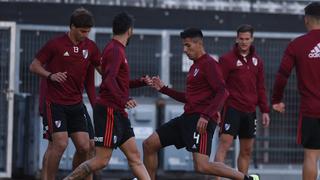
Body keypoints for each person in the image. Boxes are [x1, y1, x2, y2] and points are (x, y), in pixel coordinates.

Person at [143, 28, 260, 180]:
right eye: (184, 46)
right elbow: (190, 98)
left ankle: (246, 179)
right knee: (149, 144)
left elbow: (222, 92)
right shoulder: (194, 67)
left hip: (201, 122)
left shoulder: (209, 64)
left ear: (199, 44)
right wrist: (164, 89)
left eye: (188, 45)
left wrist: (206, 116)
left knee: (202, 166)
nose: (185, 50)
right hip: (187, 119)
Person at [63, 12, 152, 180]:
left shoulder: (116, 49)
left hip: (118, 112)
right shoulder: (116, 50)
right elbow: (108, 80)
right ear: (130, 30)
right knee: (101, 160)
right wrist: (124, 99)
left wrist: (141, 81)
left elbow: (118, 82)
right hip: (110, 111)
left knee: (135, 158)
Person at [29, 7, 101, 180]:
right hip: (54, 103)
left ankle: (74, 178)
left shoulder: (91, 47)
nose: (85, 34)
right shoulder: (55, 44)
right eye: (82, 31)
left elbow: (105, 72)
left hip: (76, 104)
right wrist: (51, 75)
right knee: (59, 144)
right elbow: (34, 66)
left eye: (88, 31)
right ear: (72, 27)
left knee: (85, 147)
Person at [214, 24, 270, 179]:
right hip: (232, 109)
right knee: (224, 146)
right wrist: (216, 110)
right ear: (236, 39)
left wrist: (265, 110)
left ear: (252, 39)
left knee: (246, 151)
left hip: (250, 112)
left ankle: (242, 178)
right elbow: (219, 87)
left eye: (247, 39)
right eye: (241, 39)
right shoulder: (226, 60)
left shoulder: (258, 61)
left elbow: (261, 87)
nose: (244, 42)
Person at [272, 2, 320, 180]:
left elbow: (282, 75)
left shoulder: (297, 45)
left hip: (311, 110)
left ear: (306, 19)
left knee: (311, 156)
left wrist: (276, 99)